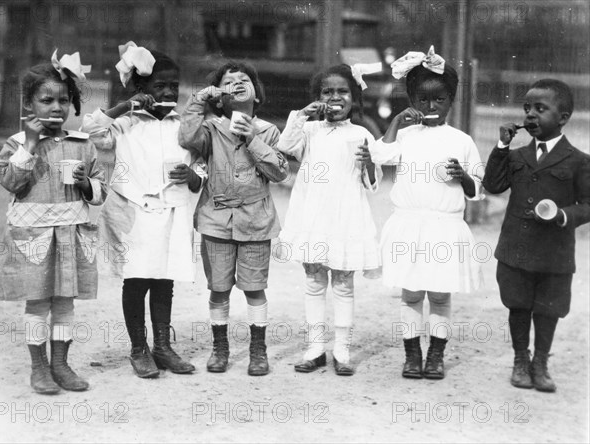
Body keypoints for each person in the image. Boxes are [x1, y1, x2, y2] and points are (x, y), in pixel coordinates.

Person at [82, 42, 203, 379]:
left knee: (164, 279)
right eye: (159, 86)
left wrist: (193, 176)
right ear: (141, 90)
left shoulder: (183, 125)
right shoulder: (125, 123)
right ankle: (139, 347)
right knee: (137, 280)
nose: (168, 92)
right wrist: (125, 106)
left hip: (171, 210)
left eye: (174, 87)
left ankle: (162, 346)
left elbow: (202, 162)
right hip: (133, 211)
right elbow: (91, 129)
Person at [370, 46, 484, 380]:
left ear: (451, 100)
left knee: (439, 293)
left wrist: (461, 177)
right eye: (422, 100)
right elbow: (382, 155)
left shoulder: (461, 140)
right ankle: (411, 355)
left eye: (439, 100)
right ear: (411, 100)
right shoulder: (405, 135)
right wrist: (394, 123)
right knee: (411, 292)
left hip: (444, 227)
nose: (431, 107)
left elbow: (478, 188)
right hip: (409, 224)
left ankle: (436, 355)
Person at [0, 50, 106, 394]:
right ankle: (39, 367)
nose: (56, 107)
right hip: (34, 239)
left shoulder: (82, 146)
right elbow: (12, 183)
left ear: (72, 104)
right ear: (29, 105)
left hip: (70, 236)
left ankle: (61, 363)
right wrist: (29, 144)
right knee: (38, 302)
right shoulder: (16, 144)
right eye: (46, 100)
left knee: (64, 303)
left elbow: (101, 191)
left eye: (63, 100)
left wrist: (87, 183)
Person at [178, 61, 288, 376]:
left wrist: (253, 139)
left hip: (256, 220)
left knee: (254, 288)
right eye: (228, 81)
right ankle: (220, 348)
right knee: (219, 288)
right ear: (219, 97)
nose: (237, 83)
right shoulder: (210, 129)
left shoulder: (267, 130)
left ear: (257, 94)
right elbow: (186, 139)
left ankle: (258, 349)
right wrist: (199, 99)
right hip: (215, 219)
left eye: (244, 80)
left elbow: (279, 172)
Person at [482, 79, 590, 392]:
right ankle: (520, 359)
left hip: (554, 252)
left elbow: (588, 205)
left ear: (563, 117)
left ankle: (540, 362)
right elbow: (493, 184)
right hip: (517, 248)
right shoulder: (516, 156)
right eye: (527, 108)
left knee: (547, 308)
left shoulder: (578, 161)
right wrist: (502, 146)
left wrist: (563, 215)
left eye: (540, 109)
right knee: (518, 304)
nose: (530, 116)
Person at [277, 64, 382, 376]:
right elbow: (285, 147)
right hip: (313, 214)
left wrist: (369, 164)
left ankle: (342, 348)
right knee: (313, 280)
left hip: (346, 215)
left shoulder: (362, 134)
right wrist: (302, 115)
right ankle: (314, 347)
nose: (335, 97)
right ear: (318, 98)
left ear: (353, 97)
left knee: (344, 283)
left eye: (342, 92)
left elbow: (371, 184)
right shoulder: (309, 130)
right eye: (328, 92)